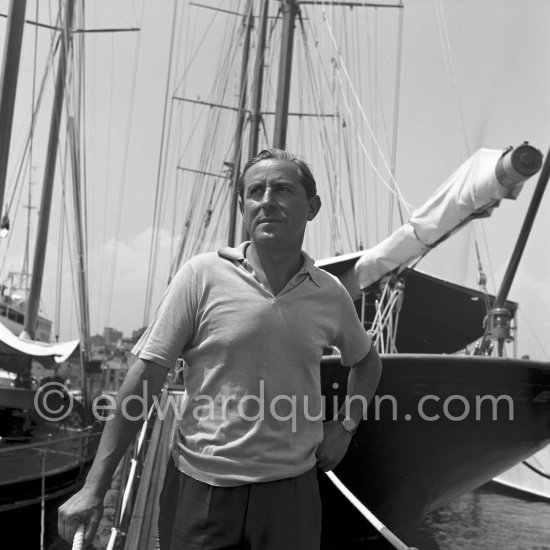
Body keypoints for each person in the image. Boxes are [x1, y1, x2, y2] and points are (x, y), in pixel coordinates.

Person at [58, 149, 382, 549]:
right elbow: (144, 381)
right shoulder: (201, 276)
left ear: (312, 207)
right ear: (242, 205)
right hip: (201, 488)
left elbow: (366, 362)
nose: (266, 200)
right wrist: (96, 488)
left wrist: (346, 427)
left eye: (282, 189)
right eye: (255, 191)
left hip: (290, 493)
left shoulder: (329, 294)